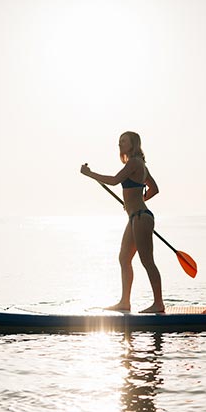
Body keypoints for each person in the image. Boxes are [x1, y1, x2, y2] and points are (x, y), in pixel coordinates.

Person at [80, 131, 164, 313]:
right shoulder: (141, 165)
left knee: (147, 260)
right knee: (124, 258)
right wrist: (134, 202)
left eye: (123, 141)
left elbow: (114, 181)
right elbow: (154, 189)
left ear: (133, 144)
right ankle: (124, 302)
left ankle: (159, 303)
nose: (119, 144)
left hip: (142, 217)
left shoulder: (134, 162)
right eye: (119, 141)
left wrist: (90, 174)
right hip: (136, 216)